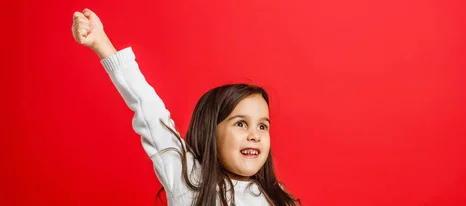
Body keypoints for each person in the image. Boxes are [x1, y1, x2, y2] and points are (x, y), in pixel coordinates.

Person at [72, 8, 300, 206]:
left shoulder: (278, 197)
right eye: (241, 123)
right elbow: (149, 109)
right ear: (211, 132)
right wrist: (101, 43)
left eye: (263, 126)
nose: (255, 135)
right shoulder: (187, 178)